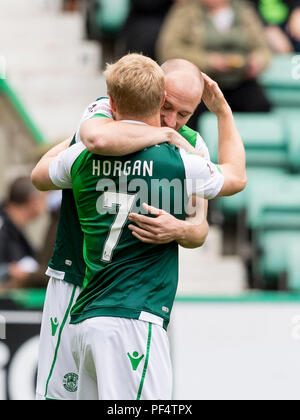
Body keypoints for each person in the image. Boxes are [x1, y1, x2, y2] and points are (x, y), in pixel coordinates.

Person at [32, 53, 246, 400]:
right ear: (154, 92)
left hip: (117, 297)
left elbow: (199, 230)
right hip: (75, 278)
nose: (172, 121)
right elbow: (83, 149)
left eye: (184, 114)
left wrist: (177, 230)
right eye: (167, 107)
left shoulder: (190, 146)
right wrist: (156, 134)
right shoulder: (102, 113)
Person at [157, 0, 272, 129]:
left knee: (260, 105)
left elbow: (263, 48)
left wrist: (258, 60)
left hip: (241, 81)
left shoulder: (244, 10)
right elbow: (169, 50)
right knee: (191, 110)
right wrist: (208, 61)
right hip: (202, 83)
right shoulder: (186, 10)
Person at [0, 177, 46, 287]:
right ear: (33, 201)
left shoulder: (16, 229)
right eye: (43, 199)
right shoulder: (2, 226)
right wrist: (8, 271)